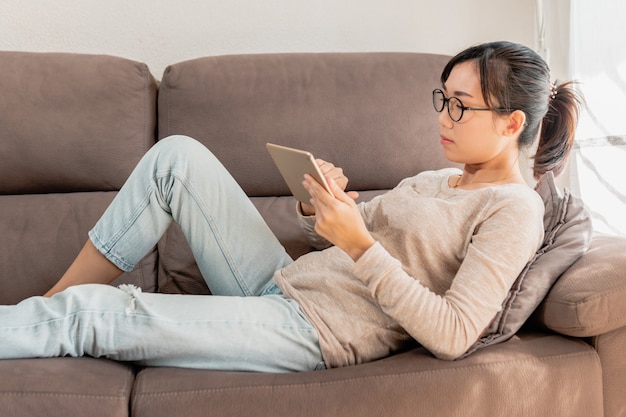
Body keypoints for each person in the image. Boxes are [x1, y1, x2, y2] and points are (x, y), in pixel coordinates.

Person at [0, 41, 582, 372]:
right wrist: (323, 208)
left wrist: (360, 242)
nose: (441, 118)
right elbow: (349, 243)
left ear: (511, 124)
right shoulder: (441, 178)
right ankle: (34, 317)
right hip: (284, 283)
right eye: (441, 99)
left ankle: (39, 321)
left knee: (89, 314)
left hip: (313, 329)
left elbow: (454, 332)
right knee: (174, 157)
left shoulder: (514, 212)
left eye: (460, 106)